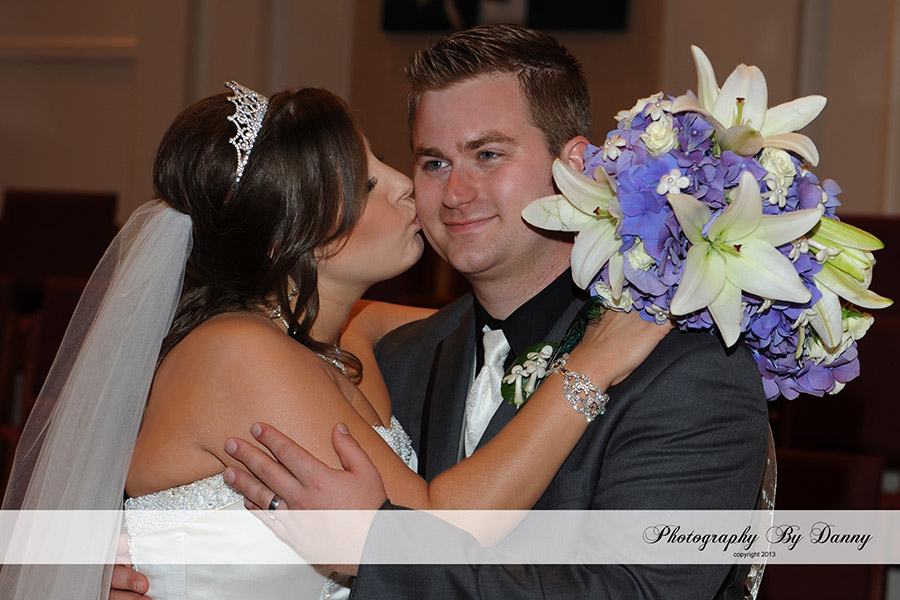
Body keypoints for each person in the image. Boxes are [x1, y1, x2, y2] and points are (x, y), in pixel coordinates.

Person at [1, 80, 669, 600]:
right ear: (286, 238)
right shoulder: (240, 353)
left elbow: (495, 318)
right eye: (367, 182)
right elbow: (431, 530)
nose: (407, 185)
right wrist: (594, 362)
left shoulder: (344, 337)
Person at [217, 24, 773, 599]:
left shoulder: (688, 369)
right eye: (433, 163)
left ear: (573, 165)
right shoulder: (398, 361)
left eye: (487, 155)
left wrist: (382, 550)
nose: (455, 193)